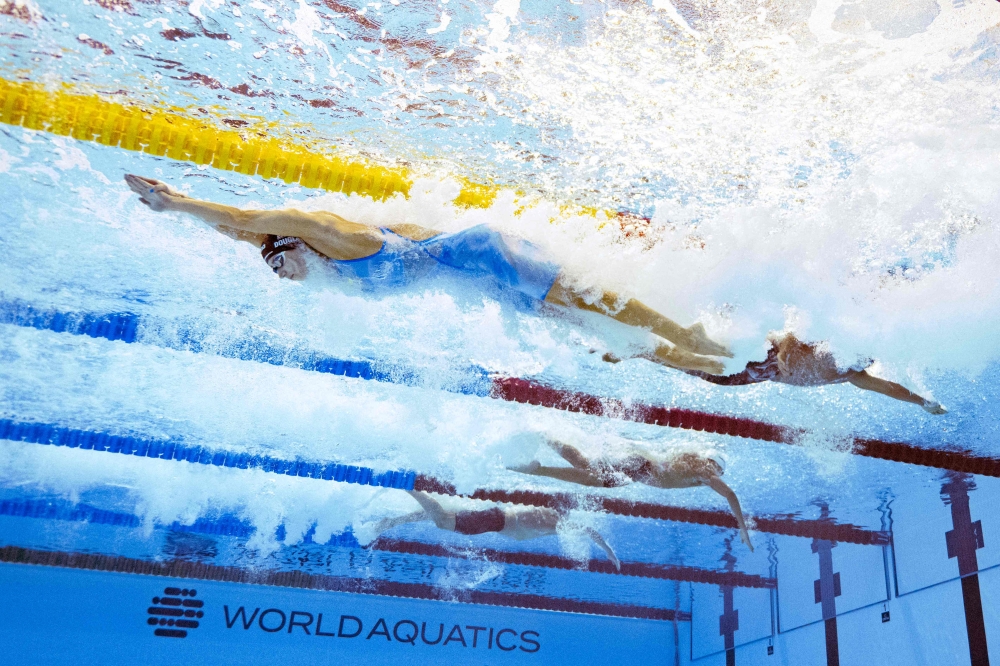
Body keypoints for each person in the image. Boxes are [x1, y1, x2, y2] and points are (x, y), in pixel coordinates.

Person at [124, 174, 731, 375]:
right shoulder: (322, 268)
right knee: (596, 337)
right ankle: (705, 362)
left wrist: (177, 203)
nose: (276, 274)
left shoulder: (334, 234)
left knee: (595, 304)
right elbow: (241, 231)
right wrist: (196, 223)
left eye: (276, 260)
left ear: (296, 243)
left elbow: (250, 216)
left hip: (483, 255)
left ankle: (690, 334)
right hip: (481, 283)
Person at [510, 439, 753, 551]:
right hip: (639, 466)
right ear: (717, 466)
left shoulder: (695, 462)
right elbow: (730, 495)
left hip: (638, 468)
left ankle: (539, 465)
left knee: (593, 475)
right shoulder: (706, 470)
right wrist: (742, 527)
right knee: (592, 472)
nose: (718, 476)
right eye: (720, 471)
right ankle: (543, 443)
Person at [677, 332, 947, 414]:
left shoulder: (854, 375)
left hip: (761, 375)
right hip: (760, 353)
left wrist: (923, 402)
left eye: (865, 360)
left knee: (715, 377)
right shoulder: (832, 343)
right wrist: (783, 351)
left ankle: (653, 354)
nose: (860, 361)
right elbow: (789, 332)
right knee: (714, 353)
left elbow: (888, 388)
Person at [371, 491, 621, 570]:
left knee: (438, 514)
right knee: (443, 520)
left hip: (493, 516)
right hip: (494, 520)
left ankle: (390, 522)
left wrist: (608, 549)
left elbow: (587, 530)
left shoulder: (548, 517)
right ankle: (410, 486)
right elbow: (588, 529)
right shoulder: (555, 521)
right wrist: (609, 550)